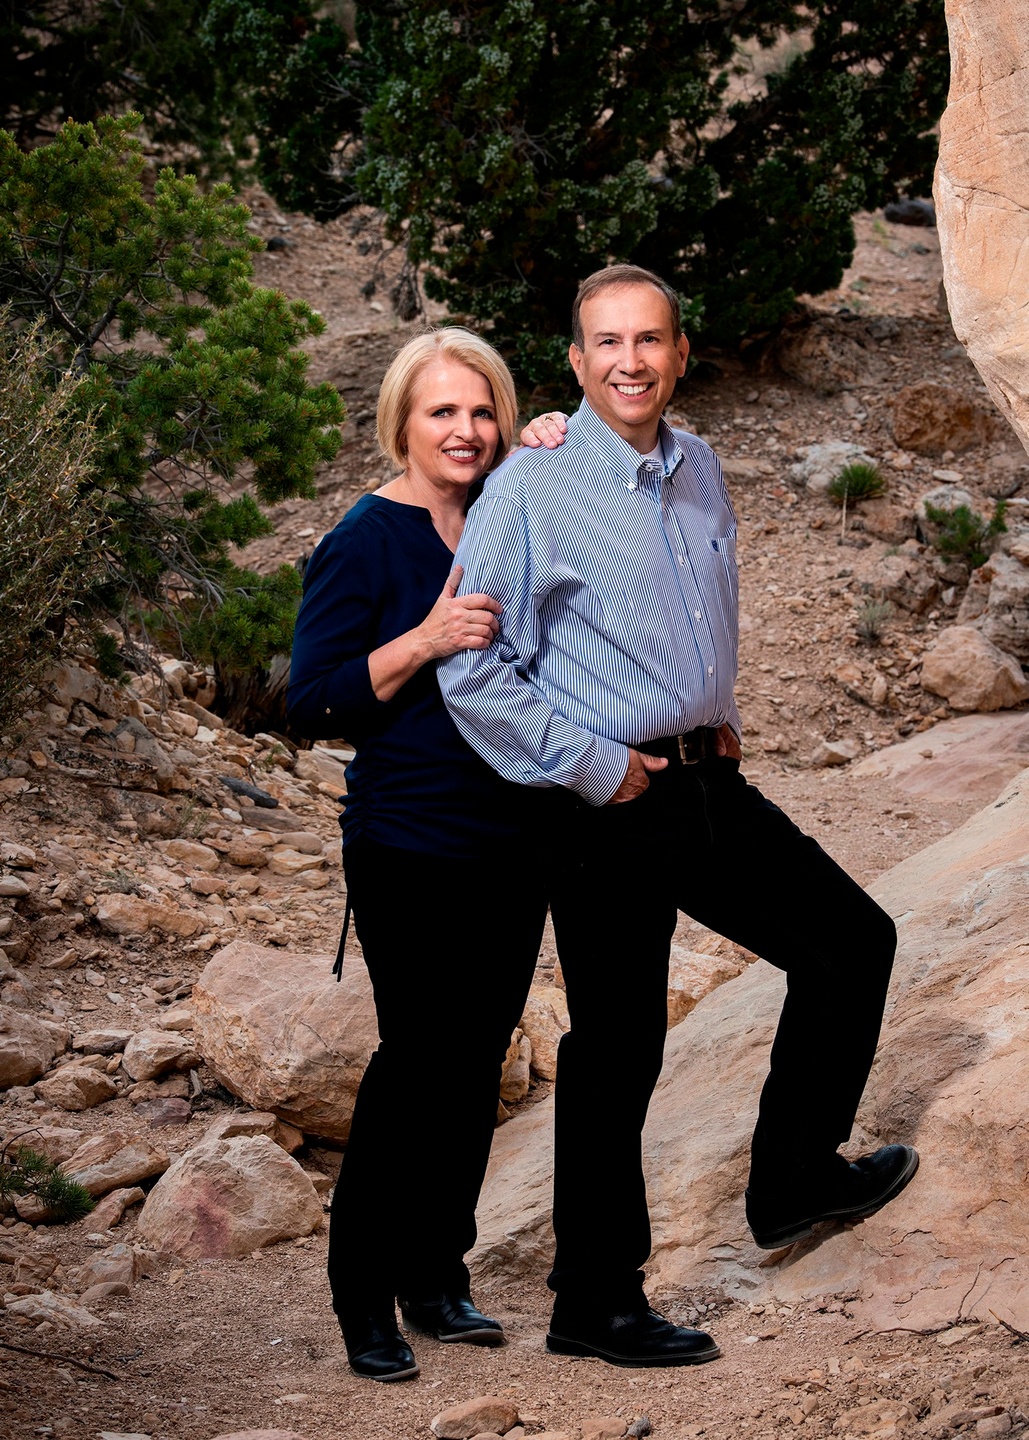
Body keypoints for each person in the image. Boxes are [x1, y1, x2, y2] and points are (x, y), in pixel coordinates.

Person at [439, 264, 918, 1370]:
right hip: (601, 805)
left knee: (851, 942)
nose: (630, 362)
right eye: (607, 343)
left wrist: (722, 711)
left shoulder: (697, 463)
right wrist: (592, 766)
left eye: (649, 340)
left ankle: (794, 1180)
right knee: (619, 1050)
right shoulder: (529, 489)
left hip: (705, 782)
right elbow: (473, 669)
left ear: (680, 352)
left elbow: (703, 604)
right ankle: (594, 1302)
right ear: (575, 361)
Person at [287, 328, 553, 1383]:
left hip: (516, 836)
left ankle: (436, 1275)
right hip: (408, 839)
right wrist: (426, 640)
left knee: (476, 1060)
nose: (466, 429)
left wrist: (556, 438)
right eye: (443, 410)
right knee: (415, 1065)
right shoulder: (365, 540)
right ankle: (363, 1294)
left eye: (483, 410)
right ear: (401, 421)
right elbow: (310, 701)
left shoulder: (508, 513)